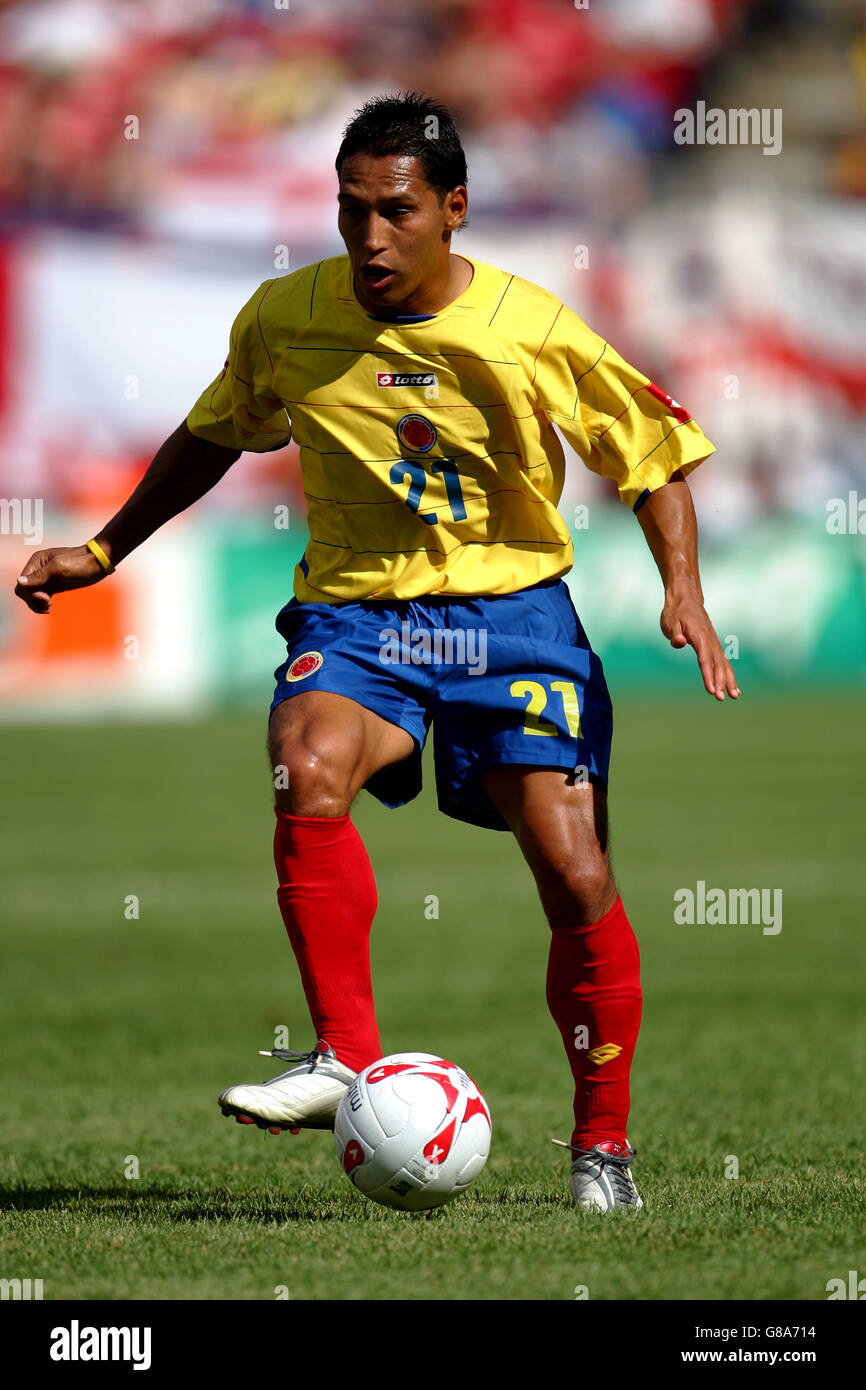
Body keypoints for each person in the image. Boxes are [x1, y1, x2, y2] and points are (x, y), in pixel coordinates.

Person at [15, 91, 739, 1212]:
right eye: (350, 210)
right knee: (303, 764)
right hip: (359, 619)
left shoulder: (531, 327)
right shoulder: (287, 316)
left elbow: (649, 453)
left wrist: (680, 590)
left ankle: (601, 1146)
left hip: (512, 615)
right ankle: (344, 1053)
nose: (369, 238)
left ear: (452, 209)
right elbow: (213, 432)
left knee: (575, 870)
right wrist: (106, 548)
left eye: (395, 211)